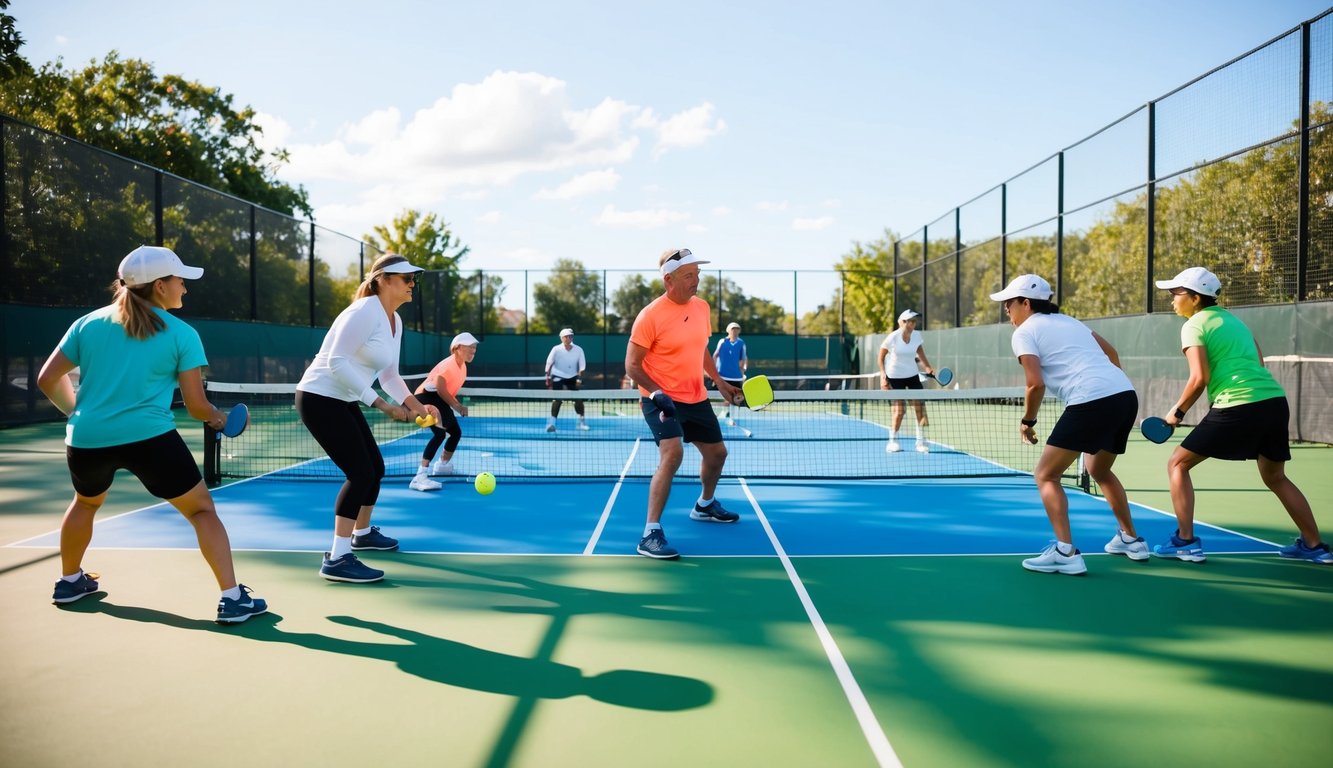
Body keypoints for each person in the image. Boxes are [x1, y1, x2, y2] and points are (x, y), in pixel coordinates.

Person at [35, 245, 267, 623]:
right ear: (160, 286)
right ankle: (233, 599)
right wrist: (218, 418)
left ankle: (69, 581)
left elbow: (47, 379)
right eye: (180, 281)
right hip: (150, 439)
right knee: (201, 510)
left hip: (86, 439)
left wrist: (76, 412)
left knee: (86, 504)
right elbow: (196, 406)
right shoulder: (182, 334)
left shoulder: (87, 324)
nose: (184, 287)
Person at [1151, 267, 1329, 565]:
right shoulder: (1236, 322)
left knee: (1177, 464)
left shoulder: (1193, 325)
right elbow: (1259, 363)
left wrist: (1177, 412)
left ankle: (1185, 542)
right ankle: (1315, 546)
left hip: (1238, 403)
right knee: (1275, 476)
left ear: (1195, 298)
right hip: (1274, 401)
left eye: (1176, 293)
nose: (1171, 299)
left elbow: (1199, 378)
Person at [295, 253, 439, 583]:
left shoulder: (394, 321)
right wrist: (383, 406)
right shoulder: (363, 312)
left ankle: (361, 534)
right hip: (318, 398)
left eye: (413, 279)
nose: (412, 284)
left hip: (343, 399)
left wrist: (416, 405)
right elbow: (336, 362)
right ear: (384, 281)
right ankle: (337, 558)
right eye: (406, 279)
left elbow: (389, 375)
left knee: (375, 468)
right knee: (360, 473)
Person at [990, 274, 1146, 575]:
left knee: (1046, 475)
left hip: (1090, 400)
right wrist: (1109, 387)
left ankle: (1065, 552)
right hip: (1125, 396)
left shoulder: (1024, 332)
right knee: (1099, 469)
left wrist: (1028, 421)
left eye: (1009, 303)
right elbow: (1111, 354)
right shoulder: (1071, 322)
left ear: (1026, 303)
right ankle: (1131, 539)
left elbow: (1035, 384)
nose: (1006, 309)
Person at [625, 248, 745, 559]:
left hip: (695, 396)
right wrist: (655, 393)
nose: (696, 280)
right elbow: (632, 365)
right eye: (689, 275)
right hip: (660, 397)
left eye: (697, 274)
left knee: (717, 454)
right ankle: (650, 533)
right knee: (673, 453)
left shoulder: (702, 308)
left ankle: (704, 505)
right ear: (669, 280)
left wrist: (719, 381)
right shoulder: (650, 316)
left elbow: (700, 347)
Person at [412, 332, 479, 489]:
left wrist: (455, 405)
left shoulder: (463, 368)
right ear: (457, 348)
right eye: (470, 347)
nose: (473, 350)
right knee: (440, 434)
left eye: (474, 347)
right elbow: (441, 389)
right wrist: (458, 407)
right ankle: (419, 476)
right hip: (425, 397)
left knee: (455, 433)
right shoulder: (448, 365)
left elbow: (447, 393)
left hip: (437, 398)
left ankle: (442, 466)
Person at [878, 309, 936, 453]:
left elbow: (919, 351)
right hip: (894, 376)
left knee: (920, 408)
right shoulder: (893, 337)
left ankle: (920, 441)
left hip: (912, 375)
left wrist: (927, 367)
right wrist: (883, 375)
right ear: (902, 322)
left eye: (914, 322)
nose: (912, 324)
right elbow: (881, 356)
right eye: (910, 321)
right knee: (900, 411)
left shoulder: (916, 336)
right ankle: (892, 441)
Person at [544, 328, 588, 432]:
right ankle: (552, 424)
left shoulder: (579, 350)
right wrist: (547, 377)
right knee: (557, 399)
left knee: (578, 400)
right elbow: (549, 363)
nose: (569, 338)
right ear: (561, 338)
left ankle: (581, 422)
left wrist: (579, 379)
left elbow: (582, 367)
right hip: (557, 376)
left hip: (572, 376)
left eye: (571, 336)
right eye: (566, 336)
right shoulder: (556, 349)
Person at [712, 322, 748, 426]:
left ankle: (732, 418)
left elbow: (743, 358)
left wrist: (743, 369)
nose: (735, 331)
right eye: (733, 329)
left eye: (737, 329)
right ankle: (721, 414)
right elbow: (715, 356)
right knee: (721, 396)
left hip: (736, 377)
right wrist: (714, 372)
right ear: (728, 330)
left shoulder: (741, 343)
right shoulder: (722, 342)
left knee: (736, 398)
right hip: (722, 375)